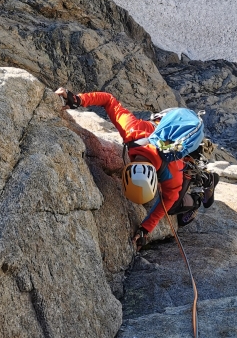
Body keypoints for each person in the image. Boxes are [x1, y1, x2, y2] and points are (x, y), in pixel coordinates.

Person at [56, 88, 217, 250]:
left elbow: (167, 201)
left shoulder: (172, 173)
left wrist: (146, 229)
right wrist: (77, 99)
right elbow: (108, 100)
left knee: (177, 210)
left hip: (174, 121)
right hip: (173, 118)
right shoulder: (132, 131)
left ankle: (203, 186)